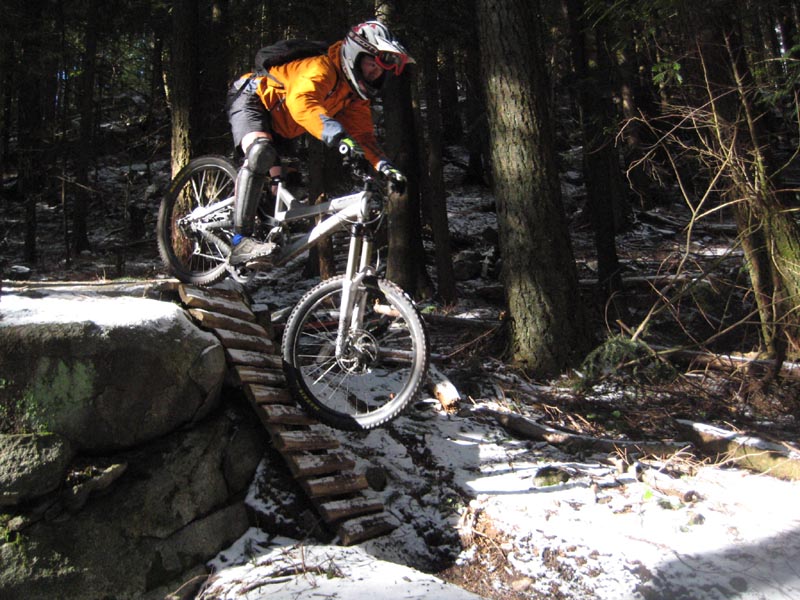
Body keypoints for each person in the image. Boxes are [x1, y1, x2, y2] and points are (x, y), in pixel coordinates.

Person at [226, 20, 415, 266]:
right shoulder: (321, 68)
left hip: (284, 125)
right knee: (260, 153)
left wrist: (384, 166)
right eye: (373, 63)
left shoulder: (353, 97)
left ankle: (259, 239)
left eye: (382, 70)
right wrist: (339, 138)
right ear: (356, 54)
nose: (377, 73)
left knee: (285, 187)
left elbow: (364, 137)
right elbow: (302, 104)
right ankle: (240, 240)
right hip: (254, 99)